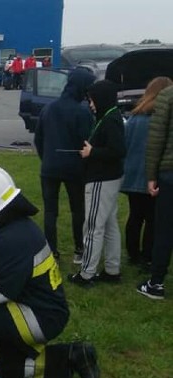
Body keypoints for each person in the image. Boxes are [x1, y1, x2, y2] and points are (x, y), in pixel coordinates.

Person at [0, 164, 99, 378]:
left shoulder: (12, 239)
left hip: (37, 316)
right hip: (40, 310)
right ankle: (72, 357)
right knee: (2, 362)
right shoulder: (14, 228)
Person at [34, 68, 95, 263]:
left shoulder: (49, 108)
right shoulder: (82, 111)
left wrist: (47, 158)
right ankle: (79, 248)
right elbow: (86, 140)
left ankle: (52, 250)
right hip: (74, 167)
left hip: (49, 167)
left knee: (50, 211)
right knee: (78, 209)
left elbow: (38, 138)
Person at [69, 80, 126, 287]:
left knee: (93, 226)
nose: (90, 104)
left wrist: (92, 152)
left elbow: (118, 151)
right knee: (110, 224)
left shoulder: (111, 119)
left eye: (92, 100)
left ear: (101, 98)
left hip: (102, 179)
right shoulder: (109, 116)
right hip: (110, 178)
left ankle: (86, 273)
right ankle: (112, 269)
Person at [122, 78, 173, 268]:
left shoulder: (134, 117)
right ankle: (148, 255)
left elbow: (125, 145)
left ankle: (132, 253)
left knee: (135, 216)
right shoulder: (160, 119)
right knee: (153, 219)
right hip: (152, 174)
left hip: (132, 173)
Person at [139, 84, 173, 299]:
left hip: (170, 171)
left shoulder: (167, 96)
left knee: (165, 229)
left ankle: (156, 283)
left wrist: (151, 175)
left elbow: (156, 139)